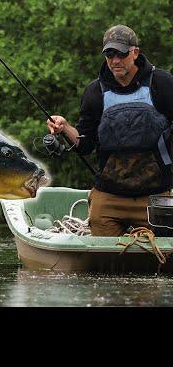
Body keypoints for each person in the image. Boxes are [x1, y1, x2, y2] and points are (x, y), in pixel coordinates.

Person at [47, 25, 173, 236]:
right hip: (109, 195)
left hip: (155, 195)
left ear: (135, 52)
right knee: (102, 261)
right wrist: (64, 127)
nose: (115, 61)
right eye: (109, 54)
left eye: (121, 54)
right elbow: (84, 144)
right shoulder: (94, 92)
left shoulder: (163, 84)